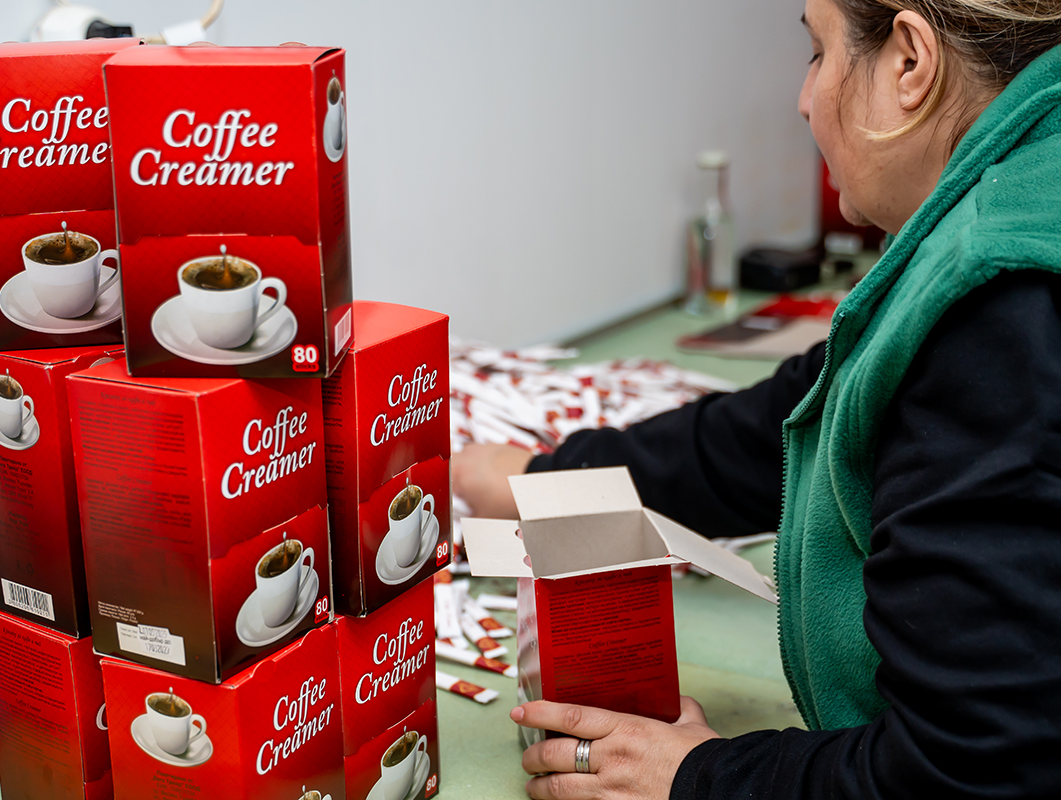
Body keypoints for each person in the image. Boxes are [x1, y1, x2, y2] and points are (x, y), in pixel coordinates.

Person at [452, 1, 1061, 797]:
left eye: (818, 53)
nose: (804, 99)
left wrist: (696, 775)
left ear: (910, 61)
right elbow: (812, 412)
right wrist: (554, 478)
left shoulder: (998, 301)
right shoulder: (1019, 196)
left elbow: (968, 771)